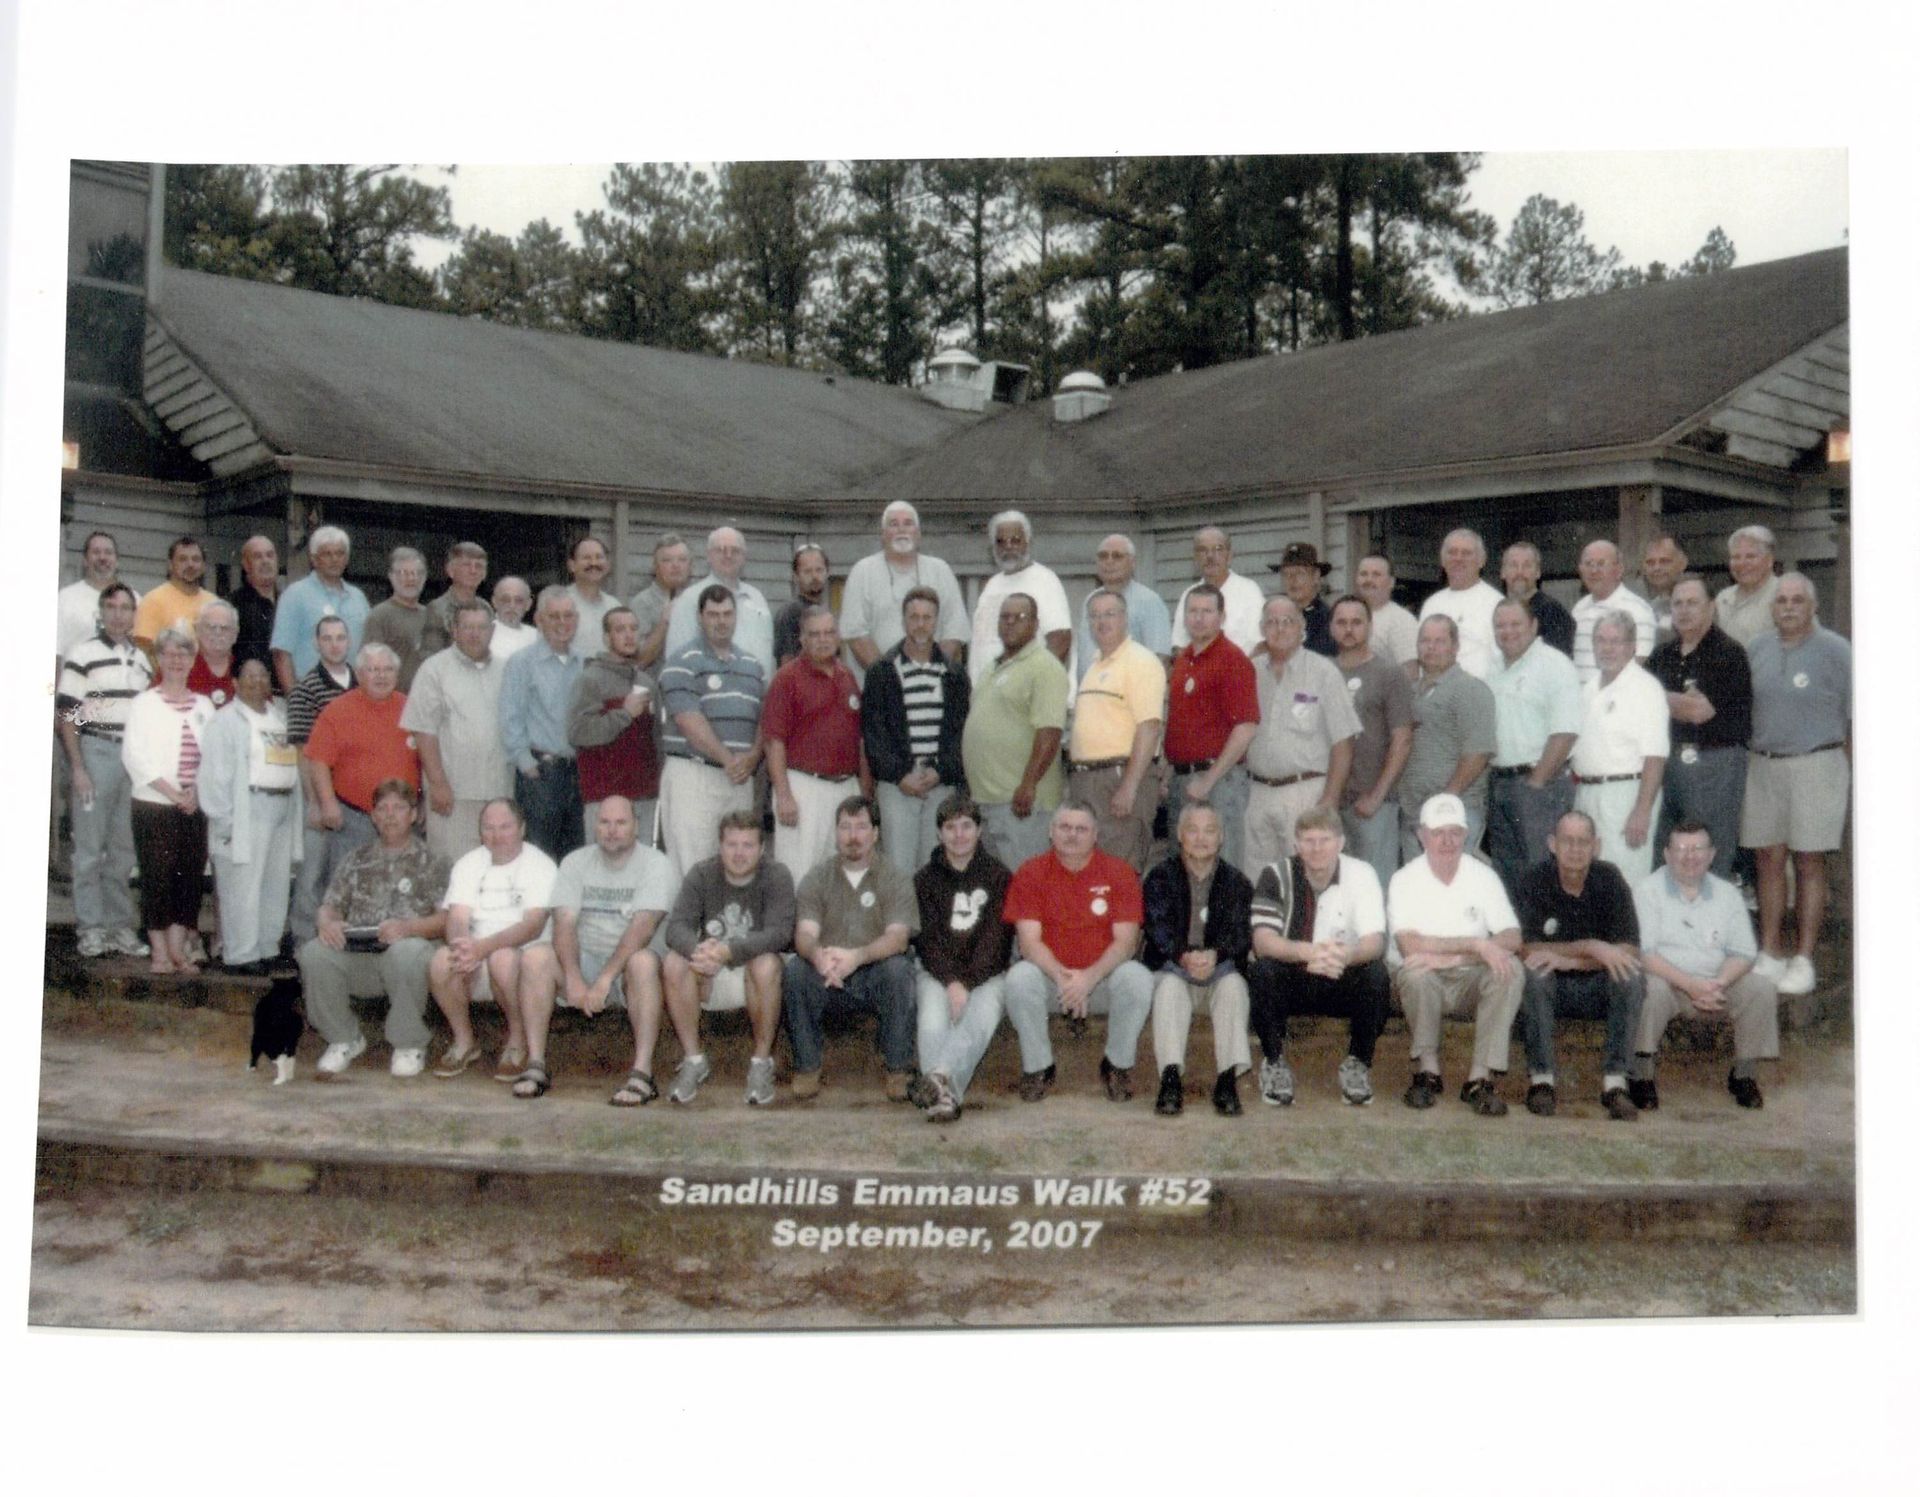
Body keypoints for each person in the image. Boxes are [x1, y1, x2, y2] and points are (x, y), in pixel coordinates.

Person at [513, 796, 681, 1103]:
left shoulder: (656, 864)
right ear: (595, 825)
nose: (612, 830)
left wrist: (604, 980)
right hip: (586, 959)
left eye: (621, 823)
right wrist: (573, 976)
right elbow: (563, 923)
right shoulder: (575, 861)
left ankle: (642, 1074)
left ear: (637, 826)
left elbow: (641, 929)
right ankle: (536, 1064)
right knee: (535, 957)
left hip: (629, 965)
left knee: (643, 962)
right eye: (605, 822)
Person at [1001, 799, 1154, 1104]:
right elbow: (1029, 943)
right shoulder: (1030, 873)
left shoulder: (1120, 873)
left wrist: (1088, 978)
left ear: (1096, 834)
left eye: (1081, 829)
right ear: (1050, 831)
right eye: (1064, 827)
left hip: (1100, 982)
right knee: (1019, 978)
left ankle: (1116, 1065)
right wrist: (1064, 978)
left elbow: (1126, 943)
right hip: (1052, 983)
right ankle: (1039, 1067)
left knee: (1137, 977)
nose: (1072, 835)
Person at [1741, 572, 1849, 999]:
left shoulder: (1836, 650)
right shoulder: (1758, 648)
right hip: (1764, 763)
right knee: (1768, 859)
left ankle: (1803, 958)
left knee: (1808, 862)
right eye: (1781, 600)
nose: (1788, 606)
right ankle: (1770, 951)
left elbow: (1857, 715)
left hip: (1816, 763)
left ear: (1813, 606)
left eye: (1797, 600)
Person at [296, 779, 449, 1078]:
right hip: (361, 956)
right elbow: (330, 905)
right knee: (314, 952)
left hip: (410, 958)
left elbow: (445, 919)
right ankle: (344, 1039)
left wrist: (408, 928)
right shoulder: (355, 859)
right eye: (383, 809)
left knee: (406, 952)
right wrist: (327, 922)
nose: (390, 815)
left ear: (414, 814)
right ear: (373, 816)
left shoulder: (434, 862)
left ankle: (408, 1043)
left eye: (399, 808)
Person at [1387, 793, 1525, 1115]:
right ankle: (1428, 1071)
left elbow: (1512, 936)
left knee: (1510, 968)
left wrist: (1458, 958)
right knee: (1415, 970)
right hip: (1425, 977)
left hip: (1467, 978)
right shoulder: (1404, 879)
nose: (1447, 841)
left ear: (1466, 834)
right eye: (1438, 832)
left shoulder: (1483, 875)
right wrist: (1475, 944)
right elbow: (1409, 945)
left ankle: (1479, 1078)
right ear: (1422, 836)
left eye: (1455, 832)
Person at [1247, 805, 1391, 1107]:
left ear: (1340, 842)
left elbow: (1375, 942)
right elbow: (1262, 941)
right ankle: (1273, 1062)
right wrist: (1307, 951)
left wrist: (1345, 956)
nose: (1316, 849)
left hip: (1340, 973)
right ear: (1296, 844)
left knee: (1376, 973)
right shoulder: (1275, 875)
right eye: (1308, 841)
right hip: (1296, 975)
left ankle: (1357, 1064)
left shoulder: (1362, 874)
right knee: (1262, 971)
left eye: (1324, 840)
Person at [1631, 821, 1779, 1110]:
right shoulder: (1647, 891)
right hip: (1670, 983)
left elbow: (1744, 952)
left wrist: (1718, 983)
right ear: (1667, 854)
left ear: (1711, 854)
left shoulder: (1727, 894)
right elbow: (1645, 954)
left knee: (1761, 988)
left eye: (1698, 848)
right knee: (1650, 988)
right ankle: (1641, 1075)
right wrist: (1690, 985)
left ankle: (1744, 1075)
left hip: (1716, 984)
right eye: (1681, 848)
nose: (1690, 856)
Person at [783, 795, 920, 1101]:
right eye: (845, 827)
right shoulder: (817, 877)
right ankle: (807, 1067)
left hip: (874, 971)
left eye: (861, 827)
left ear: (875, 834)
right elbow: (805, 933)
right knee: (794, 970)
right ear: (835, 834)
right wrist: (818, 957)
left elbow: (898, 937)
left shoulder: (895, 877)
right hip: (827, 971)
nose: (853, 836)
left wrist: (857, 957)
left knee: (900, 970)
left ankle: (898, 1068)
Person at [659, 809, 795, 1109]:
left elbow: (781, 934)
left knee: (768, 963)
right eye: (732, 845)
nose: (739, 853)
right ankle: (694, 1059)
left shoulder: (777, 875)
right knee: (674, 962)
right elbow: (676, 928)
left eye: (748, 845)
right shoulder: (702, 873)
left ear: (762, 848)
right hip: (710, 971)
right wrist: (700, 952)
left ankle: (761, 1062)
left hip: (753, 972)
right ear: (720, 846)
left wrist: (727, 952)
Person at [1514, 810, 1645, 1121]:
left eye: (1583, 842)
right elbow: (1526, 946)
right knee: (1535, 971)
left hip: (1597, 988)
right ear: (1552, 844)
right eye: (1567, 841)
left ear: (1596, 845)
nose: (1575, 849)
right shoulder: (1535, 880)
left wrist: (1569, 959)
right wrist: (1593, 947)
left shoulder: (1610, 879)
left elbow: (1628, 949)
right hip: (1551, 990)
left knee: (1630, 975)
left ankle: (1615, 1084)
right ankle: (1542, 1081)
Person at [428, 798, 559, 1086]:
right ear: (480, 832)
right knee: (441, 962)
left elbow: (532, 926)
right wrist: (462, 946)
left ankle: (517, 1040)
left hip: (523, 952)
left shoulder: (541, 865)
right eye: (488, 828)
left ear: (522, 828)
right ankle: (464, 1042)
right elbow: (458, 916)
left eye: (505, 827)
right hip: (476, 949)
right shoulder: (469, 863)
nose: (497, 835)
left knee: (503, 959)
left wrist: (483, 948)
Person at [56, 580, 151, 957]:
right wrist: (78, 767)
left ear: (133, 614)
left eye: (125, 607)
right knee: (90, 850)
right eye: (111, 607)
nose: (118, 614)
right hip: (96, 753)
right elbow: (67, 713)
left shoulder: (143, 659)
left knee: (123, 850)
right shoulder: (83, 653)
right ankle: (91, 927)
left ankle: (118, 927)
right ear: (101, 613)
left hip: (132, 760)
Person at [302, 643, 420, 940]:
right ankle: (336, 947)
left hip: (402, 820)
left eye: (388, 669)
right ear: (358, 673)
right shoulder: (338, 710)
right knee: (344, 888)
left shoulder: (412, 708)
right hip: (354, 818)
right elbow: (317, 760)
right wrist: (327, 804)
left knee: (398, 887)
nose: (381, 676)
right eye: (373, 669)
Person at [1143, 801, 1254, 1118]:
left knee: (1234, 986)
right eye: (1192, 829)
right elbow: (1156, 926)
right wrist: (1184, 956)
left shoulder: (1237, 883)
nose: (1201, 838)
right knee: (1168, 991)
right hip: (1174, 969)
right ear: (1179, 835)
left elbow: (1241, 934)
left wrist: (1214, 955)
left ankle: (1227, 1078)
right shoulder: (1160, 878)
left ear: (1221, 837)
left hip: (1218, 972)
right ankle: (1170, 1078)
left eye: (1209, 830)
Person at [910, 796, 1014, 1124]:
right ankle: (945, 1097)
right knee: (931, 1021)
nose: (959, 835)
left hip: (987, 974)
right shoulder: (924, 880)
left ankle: (938, 1078)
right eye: (950, 827)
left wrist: (967, 982)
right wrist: (952, 982)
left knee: (980, 1017)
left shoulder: (999, 876)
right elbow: (926, 941)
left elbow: (996, 942)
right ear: (939, 833)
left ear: (979, 830)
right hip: (937, 973)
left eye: (966, 826)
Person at [121, 626, 216, 974]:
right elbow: (135, 756)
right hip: (153, 804)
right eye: (170, 654)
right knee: (157, 876)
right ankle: (159, 952)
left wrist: (195, 792)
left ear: (193, 660)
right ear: (158, 659)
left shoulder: (204, 705)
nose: (177, 660)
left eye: (184, 654)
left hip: (194, 805)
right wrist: (174, 793)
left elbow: (214, 756)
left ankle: (178, 950)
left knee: (189, 877)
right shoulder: (144, 703)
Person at [197, 658, 301, 974]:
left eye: (262, 675)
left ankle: (267, 947)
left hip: (281, 808)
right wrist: (223, 819)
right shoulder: (226, 720)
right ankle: (241, 954)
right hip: (246, 809)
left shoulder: (278, 716)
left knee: (275, 882)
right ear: (235, 683)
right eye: (249, 676)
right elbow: (213, 775)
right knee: (242, 884)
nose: (257, 681)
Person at [657, 585, 766, 876]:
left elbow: (764, 719)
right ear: (700, 617)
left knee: (738, 863)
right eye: (713, 614)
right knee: (693, 865)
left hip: (739, 777)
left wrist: (753, 757)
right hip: (694, 775)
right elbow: (687, 720)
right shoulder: (680, 662)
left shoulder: (753, 666)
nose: (721, 621)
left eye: (727, 614)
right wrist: (727, 758)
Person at [1244, 595, 1358, 870]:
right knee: (1259, 882)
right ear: (1261, 629)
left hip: (1305, 793)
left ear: (1301, 626)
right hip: (1257, 793)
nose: (1279, 629)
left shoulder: (1323, 672)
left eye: (1287, 621)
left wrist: (1329, 799)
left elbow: (1344, 740)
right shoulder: (1249, 672)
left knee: (1307, 877)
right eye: (1271, 622)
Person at [862, 586, 970, 875]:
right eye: (914, 617)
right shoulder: (883, 671)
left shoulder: (954, 673)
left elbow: (962, 733)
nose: (920, 624)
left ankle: (930, 923)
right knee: (898, 868)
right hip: (898, 785)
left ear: (937, 621)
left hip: (939, 782)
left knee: (935, 867)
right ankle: (900, 923)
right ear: (904, 620)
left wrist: (940, 771)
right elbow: (874, 733)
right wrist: (900, 775)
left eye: (927, 617)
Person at [1649, 574, 1751, 878]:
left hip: (1714, 765)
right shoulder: (1662, 655)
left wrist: (1655, 695)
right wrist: (1676, 700)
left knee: (1707, 853)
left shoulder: (1728, 653)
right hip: (1669, 762)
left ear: (1711, 608)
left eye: (1692, 602)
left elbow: (1698, 712)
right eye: (1677, 603)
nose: (1683, 610)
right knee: (1665, 852)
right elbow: (1645, 701)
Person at [960, 593, 1067, 871]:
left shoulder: (1044, 667)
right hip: (987, 801)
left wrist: (1029, 784)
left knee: (1026, 886)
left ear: (1035, 624)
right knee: (999, 893)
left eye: (1019, 617)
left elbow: (1050, 731)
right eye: (1004, 617)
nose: (1010, 623)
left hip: (1022, 803)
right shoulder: (992, 668)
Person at [402, 597, 513, 864]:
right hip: (454, 797)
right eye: (467, 627)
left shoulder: (507, 670)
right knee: (451, 871)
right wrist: (438, 784)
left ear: (493, 631)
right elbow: (423, 731)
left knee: (496, 871)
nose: (475, 634)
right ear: (453, 630)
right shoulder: (434, 670)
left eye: (482, 627)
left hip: (500, 792)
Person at [763, 606, 870, 879]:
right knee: (800, 874)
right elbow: (774, 741)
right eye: (815, 634)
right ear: (802, 638)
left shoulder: (848, 677)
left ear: (838, 636)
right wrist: (784, 796)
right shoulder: (787, 678)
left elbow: (859, 741)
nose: (823, 639)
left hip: (845, 788)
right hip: (803, 789)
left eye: (829, 632)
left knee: (844, 876)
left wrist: (863, 794)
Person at [1484, 598, 1582, 890]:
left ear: (1534, 626)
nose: (1507, 631)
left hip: (1541, 784)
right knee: (1507, 872)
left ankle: (1549, 935)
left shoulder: (1554, 664)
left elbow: (1565, 731)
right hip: (1500, 782)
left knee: (1544, 871)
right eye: (1500, 625)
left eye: (1515, 624)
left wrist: (1536, 783)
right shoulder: (1493, 669)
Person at [1068, 587, 1165, 871]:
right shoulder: (1093, 666)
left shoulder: (1141, 661)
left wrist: (1130, 787)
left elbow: (1149, 727)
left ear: (1125, 618)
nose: (1102, 622)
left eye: (1110, 614)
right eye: (1094, 616)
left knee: (1118, 872)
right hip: (1085, 781)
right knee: (1088, 872)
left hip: (1119, 779)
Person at [1164, 583, 1260, 871]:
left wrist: (1209, 780)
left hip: (1219, 781)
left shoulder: (1233, 660)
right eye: (1192, 611)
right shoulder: (1183, 660)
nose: (1199, 618)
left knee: (1222, 867)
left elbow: (1246, 727)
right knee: (1183, 868)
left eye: (1207, 611)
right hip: (1183, 779)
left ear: (1222, 617)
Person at [1571, 612, 1668, 883]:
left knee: (1625, 881)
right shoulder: (1589, 688)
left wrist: (1642, 811)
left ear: (1632, 645)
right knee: (1590, 880)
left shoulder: (1645, 688)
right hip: (1587, 793)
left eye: (1616, 641)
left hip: (1626, 797)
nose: (1607, 648)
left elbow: (1655, 756)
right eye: (1601, 640)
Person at [1396, 615, 1496, 865]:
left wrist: (1446, 798)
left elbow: (1478, 753)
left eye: (1440, 641)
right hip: (1414, 812)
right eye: (1425, 641)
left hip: (1454, 811)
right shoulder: (1410, 690)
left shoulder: (1469, 688)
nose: (1431, 647)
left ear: (1455, 646)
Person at [1330, 593, 1414, 891]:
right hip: (1331, 801)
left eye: (1356, 622)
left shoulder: (1390, 674)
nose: (1349, 629)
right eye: (1341, 622)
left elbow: (1402, 740)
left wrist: (1378, 796)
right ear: (1331, 628)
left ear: (1370, 626)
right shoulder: (1322, 671)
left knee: (1375, 890)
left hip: (1373, 803)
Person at [499, 585, 585, 861]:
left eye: (568, 616)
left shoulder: (584, 663)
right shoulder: (522, 663)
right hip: (541, 774)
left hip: (578, 773)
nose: (563, 623)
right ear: (539, 620)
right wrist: (528, 765)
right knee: (539, 857)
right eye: (555, 616)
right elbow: (510, 716)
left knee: (574, 856)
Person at [285, 616, 356, 943]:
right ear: (316, 644)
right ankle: (304, 944)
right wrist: (315, 802)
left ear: (349, 641)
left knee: (343, 875)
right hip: (319, 796)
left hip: (353, 800)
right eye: (327, 638)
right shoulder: (305, 687)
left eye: (340, 637)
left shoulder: (360, 684)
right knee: (312, 874)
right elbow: (303, 750)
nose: (334, 644)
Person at [568, 605, 662, 846]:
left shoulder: (646, 682)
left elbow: (656, 739)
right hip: (604, 797)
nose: (629, 635)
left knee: (642, 870)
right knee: (603, 868)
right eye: (620, 630)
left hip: (644, 796)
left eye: (634, 629)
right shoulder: (590, 679)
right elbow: (578, 733)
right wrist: (624, 713)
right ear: (606, 637)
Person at [840, 501, 970, 668]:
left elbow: (954, 630)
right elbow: (856, 634)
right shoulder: (862, 571)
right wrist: (887, 678)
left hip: (932, 683)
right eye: (894, 524)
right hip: (880, 685)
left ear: (918, 534)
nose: (901, 530)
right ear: (883, 534)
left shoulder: (940, 570)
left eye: (908, 523)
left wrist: (928, 672)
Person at [969, 510, 1072, 684]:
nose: (1008, 547)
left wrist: (1036, 686)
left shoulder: (1044, 579)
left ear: (1028, 542)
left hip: (1024, 694)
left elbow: (1060, 639)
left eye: (1015, 540)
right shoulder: (991, 585)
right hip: (988, 693)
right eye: (1001, 542)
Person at [664, 526, 776, 678]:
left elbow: (767, 653)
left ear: (744, 557)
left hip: (757, 696)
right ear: (709, 556)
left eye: (735, 550)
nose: (728, 555)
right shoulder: (690, 599)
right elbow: (675, 659)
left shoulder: (757, 598)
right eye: (721, 550)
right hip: (710, 696)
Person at [270, 525, 370, 692]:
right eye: (327, 554)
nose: (334, 559)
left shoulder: (358, 598)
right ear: (314, 559)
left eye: (339, 553)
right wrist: (296, 702)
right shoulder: (295, 595)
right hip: (311, 698)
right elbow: (281, 654)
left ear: (347, 558)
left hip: (353, 697)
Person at [1417, 528, 1504, 679]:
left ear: (1481, 561)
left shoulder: (1497, 604)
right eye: (1452, 552)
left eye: (1466, 553)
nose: (1458, 558)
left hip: (1476, 695)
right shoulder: (1432, 604)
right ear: (1443, 560)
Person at [1074, 533, 1172, 668]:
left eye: (1117, 556)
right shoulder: (1090, 600)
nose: (1109, 561)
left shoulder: (1149, 601)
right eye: (1103, 556)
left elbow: (1160, 658)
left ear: (1132, 563)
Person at [1570, 539, 1657, 684]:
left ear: (1619, 570)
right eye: (1588, 564)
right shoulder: (1579, 609)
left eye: (1601, 564)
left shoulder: (1638, 611)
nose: (1594, 570)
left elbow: (1640, 664)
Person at [1172, 525, 1264, 655]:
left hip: (1239, 671)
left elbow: (1259, 645)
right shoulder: (1189, 594)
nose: (1210, 556)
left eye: (1218, 549)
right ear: (1195, 558)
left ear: (1230, 556)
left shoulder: (1249, 591)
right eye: (1203, 550)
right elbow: (1179, 645)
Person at [57, 529, 138, 667]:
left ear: (117, 561)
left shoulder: (135, 600)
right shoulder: (65, 598)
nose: (102, 557)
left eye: (108, 553)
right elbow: (56, 654)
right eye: (96, 552)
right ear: (85, 561)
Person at [361, 545, 433, 691]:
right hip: (392, 703)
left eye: (417, 573)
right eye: (403, 573)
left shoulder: (432, 616)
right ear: (391, 576)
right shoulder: (380, 615)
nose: (411, 578)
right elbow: (368, 666)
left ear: (425, 577)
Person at [132, 536, 212, 654]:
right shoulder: (153, 601)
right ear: (170, 565)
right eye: (183, 559)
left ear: (203, 566)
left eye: (196, 559)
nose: (190, 564)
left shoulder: (213, 603)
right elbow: (144, 651)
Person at [627, 533, 692, 671]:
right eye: (667, 560)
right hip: (655, 688)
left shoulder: (698, 600)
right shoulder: (641, 603)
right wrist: (664, 623)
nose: (676, 565)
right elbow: (638, 661)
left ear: (690, 566)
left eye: (682, 560)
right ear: (655, 567)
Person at [1499, 540, 1575, 656]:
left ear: (1538, 572)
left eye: (1527, 566)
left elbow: (1557, 664)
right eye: (1513, 565)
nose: (1520, 572)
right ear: (1503, 572)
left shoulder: (1553, 613)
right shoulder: (1496, 609)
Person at [1714, 524, 1781, 647]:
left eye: (1750, 556)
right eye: (1736, 557)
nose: (1742, 563)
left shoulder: (1785, 595)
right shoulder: (1723, 598)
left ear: (1769, 560)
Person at [422, 541, 490, 656]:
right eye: (466, 565)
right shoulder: (437, 609)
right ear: (450, 570)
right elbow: (431, 656)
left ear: (484, 574)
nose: (473, 571)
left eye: (478, 566)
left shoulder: (486, 608)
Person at [1268, 541, 1336, 656]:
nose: (1293, 580)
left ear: (1316, 576)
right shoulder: (1272, 618)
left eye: (1300, 573)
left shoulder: (1328, 620)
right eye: (1286, 574)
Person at [563, 535, 624, 659]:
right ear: (572, 565)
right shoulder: (560, 603)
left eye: (599, 557)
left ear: (607, 565)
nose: (593, 563)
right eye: (586, 558)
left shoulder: (615, 606)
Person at [1352, 553, 1417, 668]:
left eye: (1376, 575)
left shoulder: (1401, 621)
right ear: (1356, 579)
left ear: (1391, 582)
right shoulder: (1346, 617)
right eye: (1363, 574)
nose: (1369, 580)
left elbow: (1410, 673)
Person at [227, 534, 279, 675]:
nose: (265, 561)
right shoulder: (232, 606)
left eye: (270, 555)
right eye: (258, 556)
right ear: (245, 564)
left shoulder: (289, 603)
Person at [773, 542, 830, 667]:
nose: (815, 576)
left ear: (827, 573)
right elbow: (786, 662)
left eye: (819, 570)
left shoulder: (826, 613)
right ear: (796, 576)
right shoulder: (791, 612)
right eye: (807, 571)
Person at [186, 599, 239, 706]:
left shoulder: (246, 670)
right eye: (210, 627)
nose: (217, 633)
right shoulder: (179, 667)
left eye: (224, 628)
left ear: (235, 634)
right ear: (197, 630)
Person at [1639, 535, 1689, 647]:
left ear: (1683, 563)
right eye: (1650, 563)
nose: (1657, 568)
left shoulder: (1698, 605)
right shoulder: (1646, 609)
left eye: (1664, 561)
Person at [488, 577, 536, 660]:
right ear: (494, 602)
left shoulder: (536, 636)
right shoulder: (484, 634)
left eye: (518, 600)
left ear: (528, 604)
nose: (512, 606)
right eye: (506, 600)